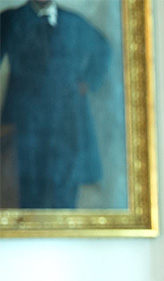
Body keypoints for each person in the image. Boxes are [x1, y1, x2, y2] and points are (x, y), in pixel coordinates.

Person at [0, 0, 110, 208]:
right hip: (25, 122)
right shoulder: (10, 20)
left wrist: (87, 81)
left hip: (66, 120)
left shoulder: (73, 22)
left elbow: (103, 49)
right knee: (26, 185)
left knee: (65, 186)